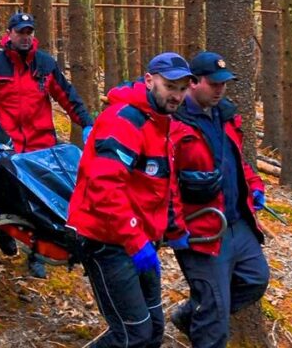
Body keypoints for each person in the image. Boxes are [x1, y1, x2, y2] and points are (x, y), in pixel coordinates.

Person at [66, 53, 194, 347]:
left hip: (139, 240)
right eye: (170, 86)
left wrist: (172, 230)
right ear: (150, 81)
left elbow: (163, 183)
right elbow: (104, 189)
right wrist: (136, 243)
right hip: (106, 241)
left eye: (182, 88)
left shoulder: (162, 123)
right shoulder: (124, 121)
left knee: (153, 331)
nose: (176, 95)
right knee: (131, 335)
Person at [0, 12, 93, 278]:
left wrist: (86, 123)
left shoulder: (45, 64)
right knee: (2, 196)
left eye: (29, 32)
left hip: (42, 147)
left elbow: (67, 97)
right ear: (10, 34)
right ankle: (5, 235)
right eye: (20, 32)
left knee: (40, 202)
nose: (25, 37)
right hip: (7, 147)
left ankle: (36, 255)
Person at [167, 51, 270, 348]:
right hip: (201, 230)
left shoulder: (225, 115)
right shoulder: (174, 122)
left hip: (237, 222)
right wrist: (175, 228)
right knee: (215, 325)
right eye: (214, 84)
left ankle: (192, 314)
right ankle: (206, 316)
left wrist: (254, 187)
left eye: (224, 83)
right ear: (193, 82)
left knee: (255, 279)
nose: (221, 89)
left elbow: (238, 162)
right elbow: (164, 181)